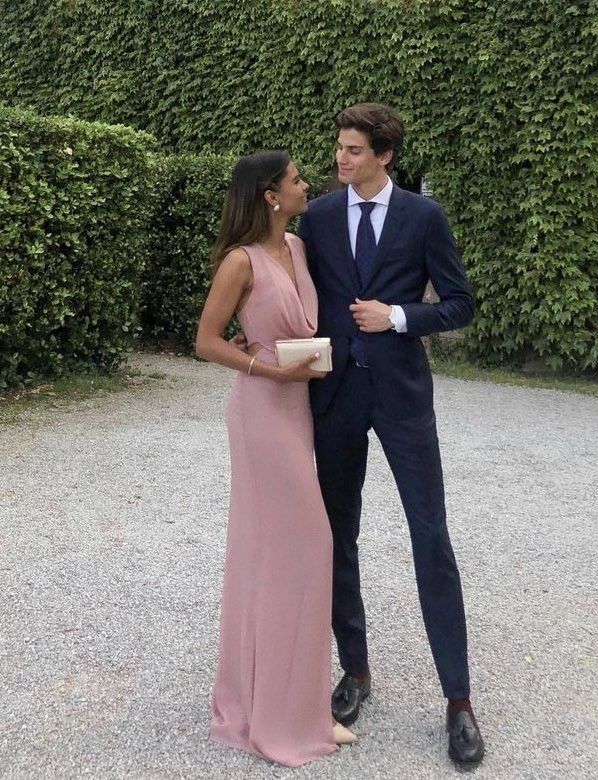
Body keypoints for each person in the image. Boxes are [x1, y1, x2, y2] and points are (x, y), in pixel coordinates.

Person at [297, 103, 485, 766]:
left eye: (352, 151)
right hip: (336, 397)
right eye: (339, 149)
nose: (340, 160)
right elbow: (297, 293)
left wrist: (398, 316)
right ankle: (356, 671)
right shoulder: (317, 216)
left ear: (384, 156)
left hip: (403, 398)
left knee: (430, 537)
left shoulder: (423, 217)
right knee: (336, 535)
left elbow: (459, 303)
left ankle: (458, 701)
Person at [195, 151, 356, 767]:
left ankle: (295, 704)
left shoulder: (299, 247)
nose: (306, 184)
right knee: (305, 544)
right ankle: (274, 711)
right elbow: (206, 341)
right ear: (269, 194)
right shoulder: (240, 261)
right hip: (262, 412)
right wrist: (262, 365)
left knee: (280, 556)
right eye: (295, 180)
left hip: (298, 408)